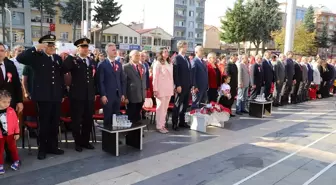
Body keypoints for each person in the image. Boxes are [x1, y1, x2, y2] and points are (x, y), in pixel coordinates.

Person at [16, 34, 64, 160]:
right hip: (43, 97)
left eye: (53, 44)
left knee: (54, 123)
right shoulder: (36, 57)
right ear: (43, 45)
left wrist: (62, 93)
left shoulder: (57, 58)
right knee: (44, 124)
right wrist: (34, 48)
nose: (52, 47)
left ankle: (52, 147)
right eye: (49, 44)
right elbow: (20, 58)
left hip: (56, 97)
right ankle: (42, 149)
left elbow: (60, 78)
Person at [62, 38, 96, 152]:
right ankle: (78, 143)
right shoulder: (73, 60)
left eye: (86, 47)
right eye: (83, 47)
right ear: (78, 48)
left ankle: (85, 141)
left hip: (89, 96)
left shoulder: (91, 60)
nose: (85, 49)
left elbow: (92, 78)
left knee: (88, 120)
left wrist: (94, 92)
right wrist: (71, 56)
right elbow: (63, 68)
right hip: (77, 95)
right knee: (76, 120)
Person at [98, 43, 125, 126]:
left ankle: (115, 138)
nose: (115, 51)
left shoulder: (118, 64)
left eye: (115, 49)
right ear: (107, 51)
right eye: (113, 50)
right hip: (108, 96)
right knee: (108, 118)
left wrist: (123, 93)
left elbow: (122, 80)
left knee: (116, 117)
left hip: (117, 95)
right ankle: (108, 138)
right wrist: (103, 95)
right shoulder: (102, 65)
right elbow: (100, 81)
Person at [152, 48, 173, 134]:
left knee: (165, 108)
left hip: (168, 88)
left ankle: (163, 124)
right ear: (160, 53)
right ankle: (159, 126)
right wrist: (155, 89)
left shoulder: (169, 63)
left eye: (167, 51)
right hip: (160, 89)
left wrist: (173, 87)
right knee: (160, 108)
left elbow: (171, 77)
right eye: (164, 51)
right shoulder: (157, 63)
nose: (166, 53)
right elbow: (155, 77)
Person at [172, 41, 192, 130]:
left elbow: (189, 72)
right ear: (180, 47)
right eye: (184, 47)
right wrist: (178, 85)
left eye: (186, 46)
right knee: (177, 105)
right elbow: (175, 73)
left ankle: (182, 122)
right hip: (181, 86)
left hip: (187, 85)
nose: (186, 48)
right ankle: (174, 123)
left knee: (185, 105)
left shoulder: (186, 58)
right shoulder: (177, 58)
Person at [0, 90, 20, 174]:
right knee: (0, 150)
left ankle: (16, 161)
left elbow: (16, 122)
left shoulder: (11, 110)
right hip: (0, 136)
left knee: (13, 148)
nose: (6, 104)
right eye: (4, 102)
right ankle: (0, 165)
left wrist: (17, 133)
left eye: (8, 102)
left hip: (10, 134)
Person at [123, 50, 146, 123]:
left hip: (141, 96)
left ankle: (137, 133)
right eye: (136, 55)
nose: (138, 57)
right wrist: (125, 96)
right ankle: (129, 133)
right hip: (131, 97)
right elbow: (124, 83)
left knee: (137, 117)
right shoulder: (125, 67)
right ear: (130, 57)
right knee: (131, 116)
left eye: (138, 55)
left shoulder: (141, 66)